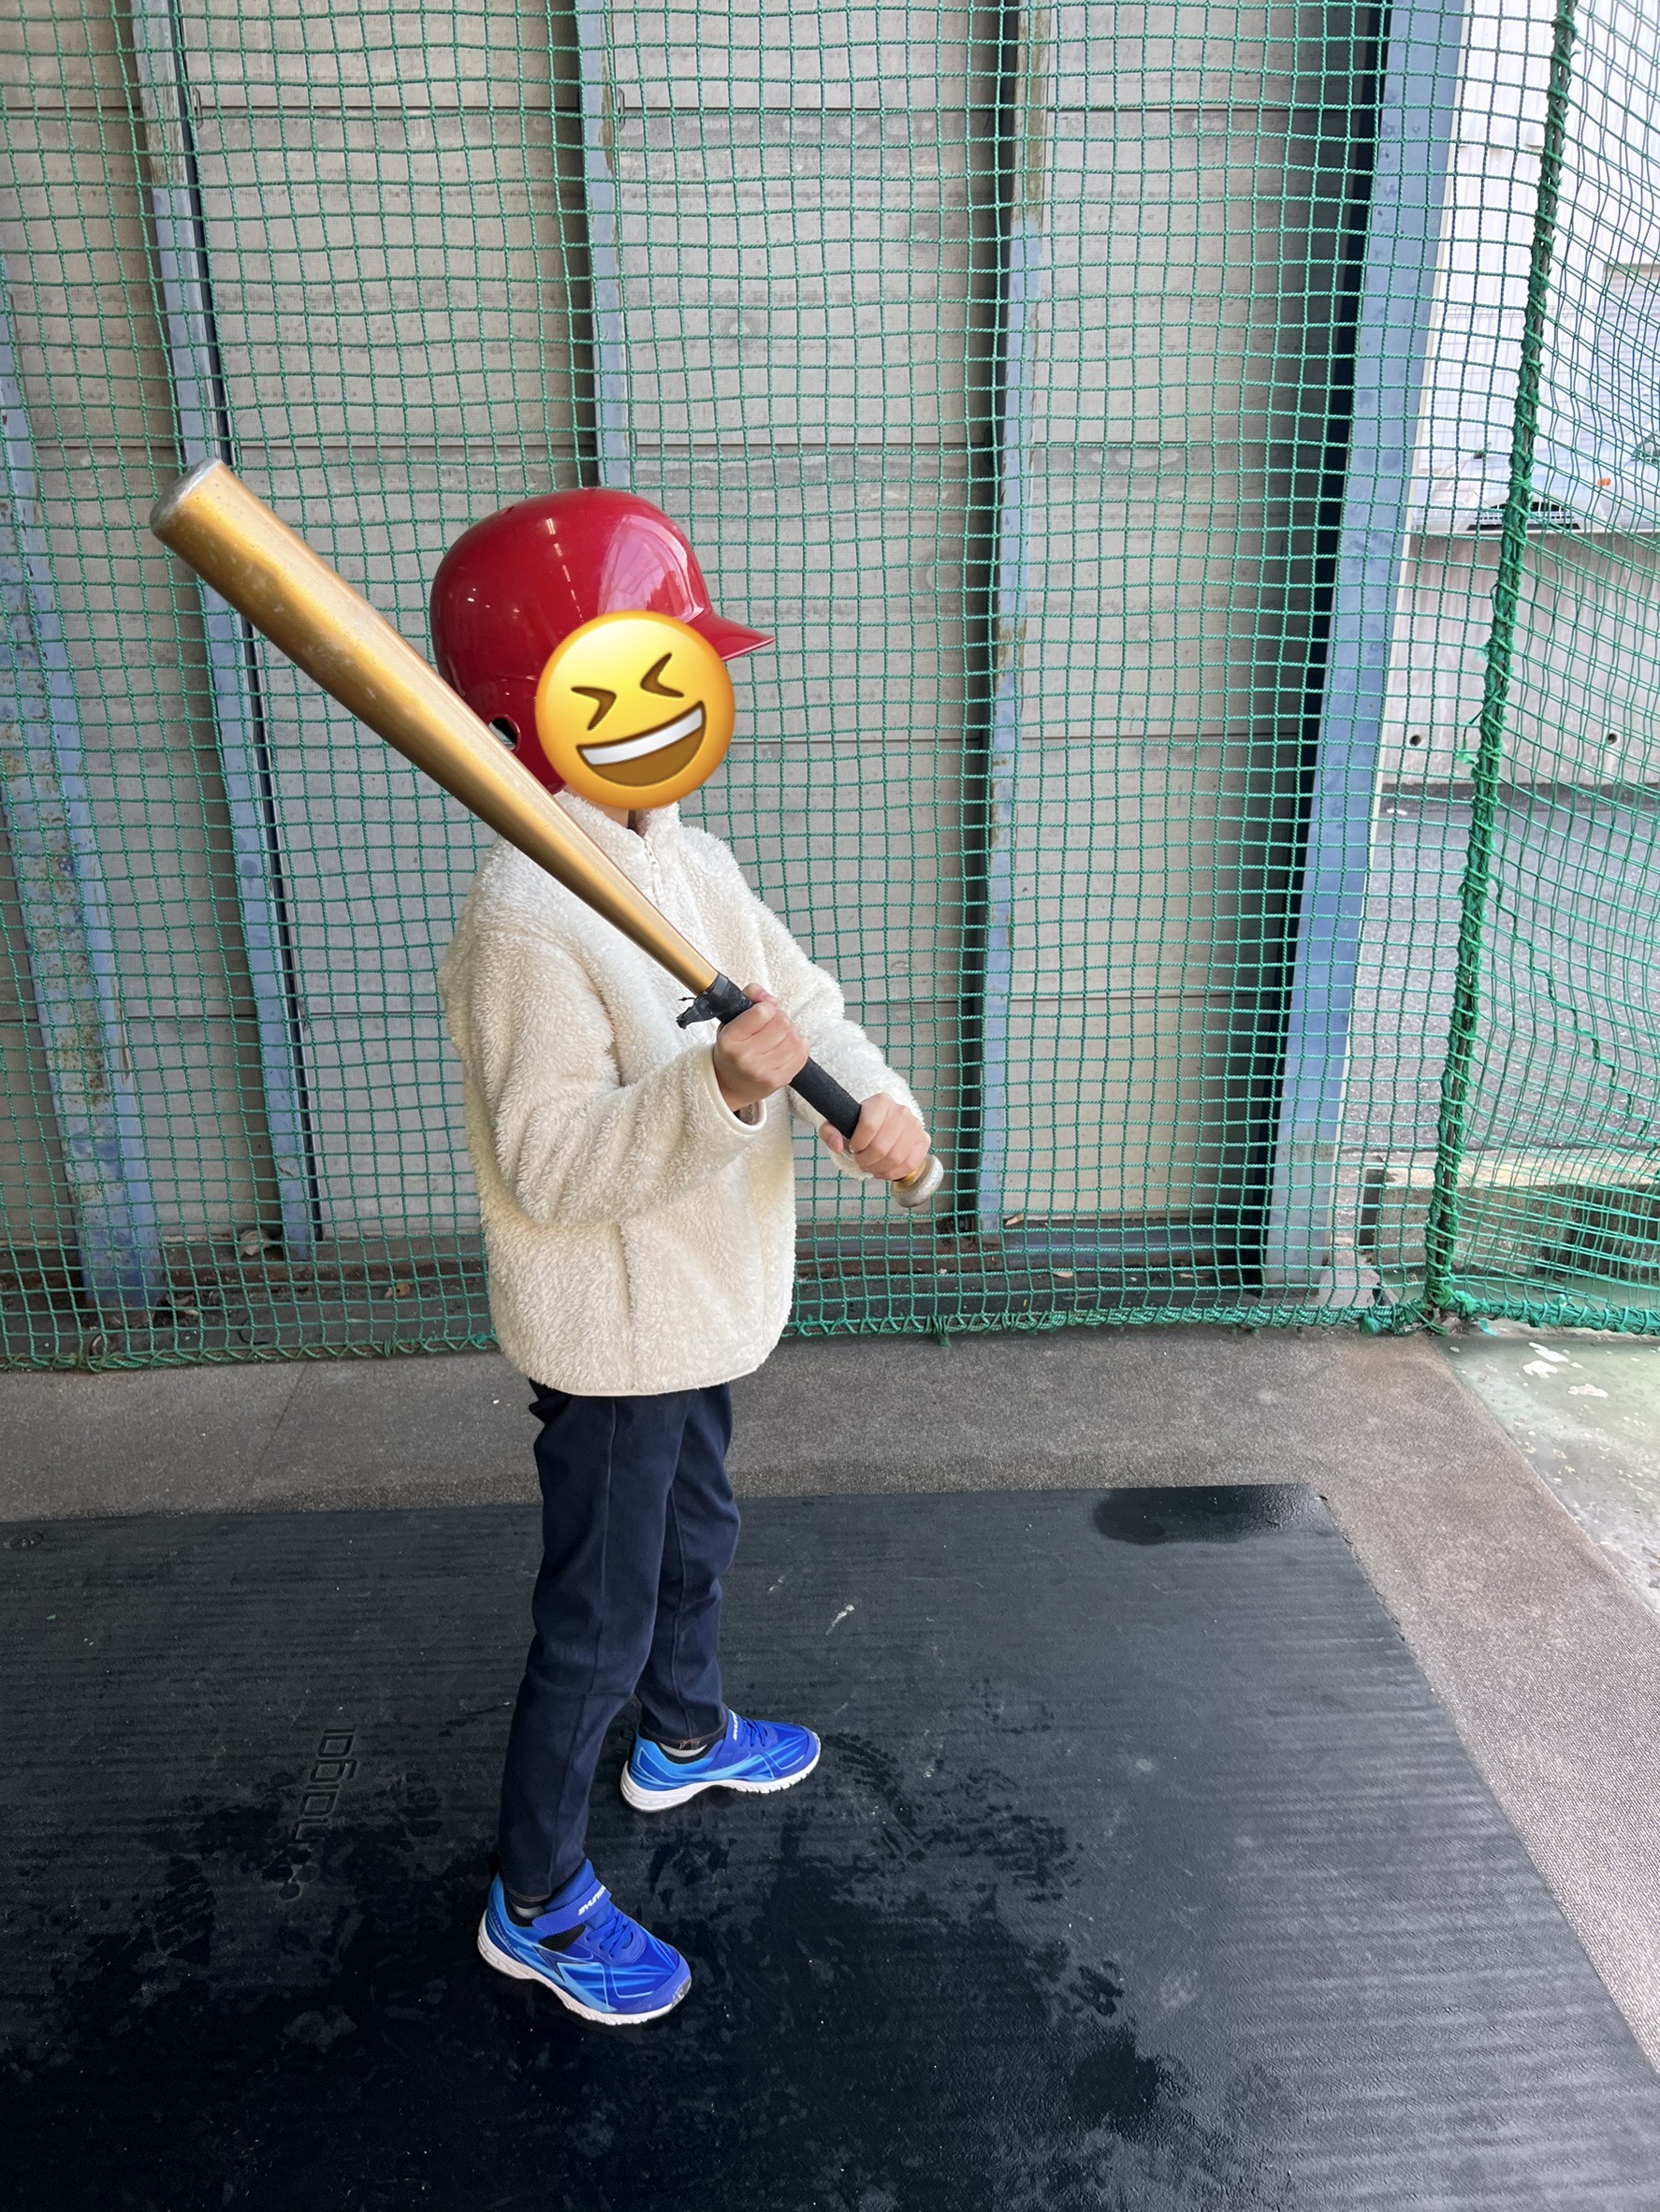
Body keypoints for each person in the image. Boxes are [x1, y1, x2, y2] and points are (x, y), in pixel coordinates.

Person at [431, 489, 931, 2026]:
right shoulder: (524, 919)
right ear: (541, 713)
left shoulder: (688, 859)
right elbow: (552, 1163)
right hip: (615, 1334)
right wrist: (716, 1088)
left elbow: (804, 1008)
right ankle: (533, 1898)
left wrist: (875, 1105)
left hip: (699, 1309)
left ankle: (683, 1735)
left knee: (697, 1537)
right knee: (596, 1618)